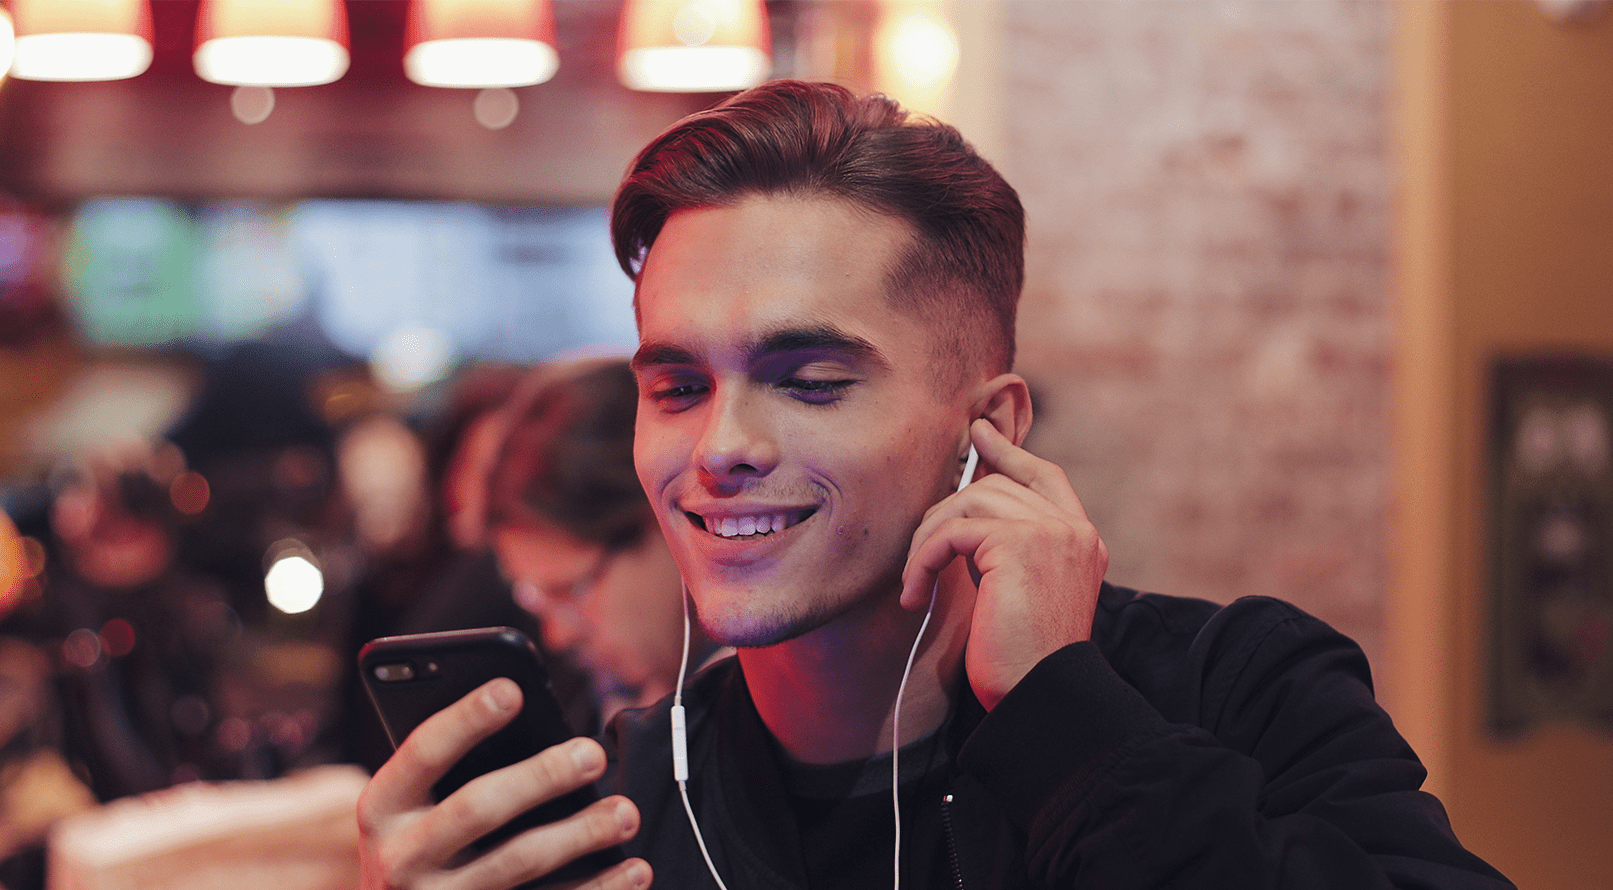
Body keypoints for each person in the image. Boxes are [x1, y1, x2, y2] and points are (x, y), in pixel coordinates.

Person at [357, 80, 1514, 890]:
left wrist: (1068, 718)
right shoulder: (610, 812)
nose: (717, 445)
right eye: (675, 387)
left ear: (988, 430)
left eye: (807, 379)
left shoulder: (1235, 693)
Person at [485, 358, 721, 725]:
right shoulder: (604, 702)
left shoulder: (769, 713)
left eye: (569, 590)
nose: (557, 636)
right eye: (537, 598)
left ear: (665, 523)